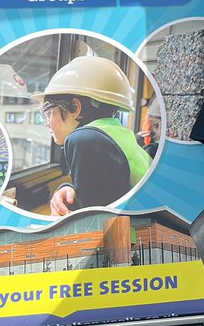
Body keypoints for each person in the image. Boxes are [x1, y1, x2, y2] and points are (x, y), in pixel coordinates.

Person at [34, 55, 152, 216]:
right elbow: (105, 190)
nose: (46, 122)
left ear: (75, 108)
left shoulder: (85, 139)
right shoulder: (117, 133)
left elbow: (93, 219)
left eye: (48, 112)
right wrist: (68, 188)